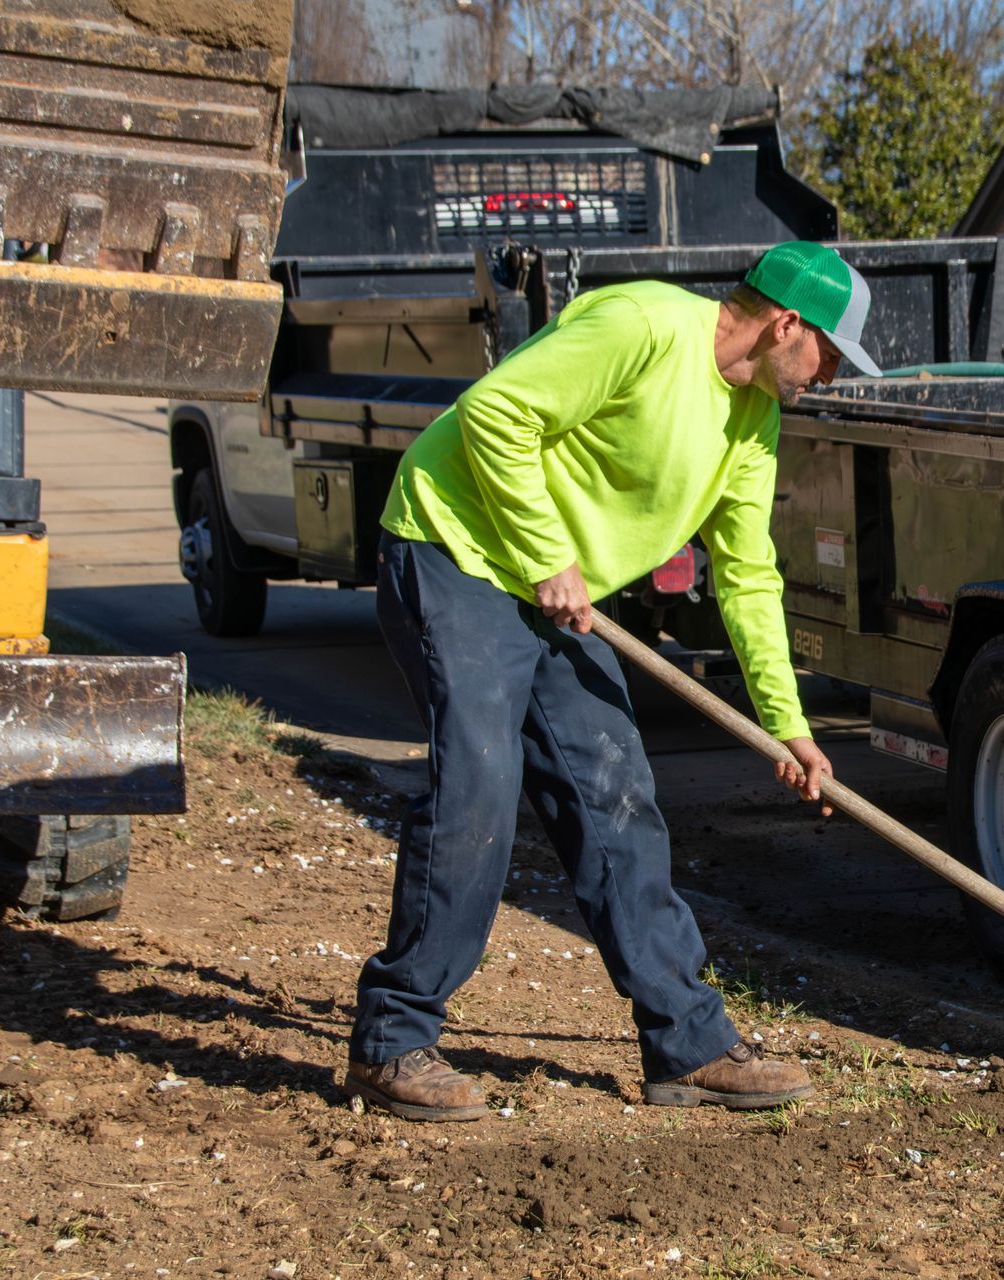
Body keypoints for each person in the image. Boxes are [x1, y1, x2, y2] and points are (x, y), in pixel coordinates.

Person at [344, 241, 881, 1121]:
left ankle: (689, 1046)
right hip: (456, 548)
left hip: (559, 596)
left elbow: (747, 575)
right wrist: (546, 553)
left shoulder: (754, 419)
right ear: (789, 324)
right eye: (829, 354)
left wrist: (789, 727)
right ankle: (393, 1040)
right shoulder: (641, 326)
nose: (831, 375)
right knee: (479, 785)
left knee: (619, 798)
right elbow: (494, 414)